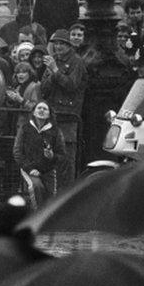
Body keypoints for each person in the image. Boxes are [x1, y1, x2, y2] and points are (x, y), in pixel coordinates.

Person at [39, 29, 85, 192]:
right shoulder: (53, 61)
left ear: (69, 45)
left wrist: (56, 71)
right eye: (55, 43)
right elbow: (43, 89)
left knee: (66, 161)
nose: (58, 47)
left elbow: (72, 85)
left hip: (68, 117)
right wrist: (52, 73)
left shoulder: (76, 62)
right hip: (52, 116)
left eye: (61, 43)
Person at [13, 101, 65, 209]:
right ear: (34, 112)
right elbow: (17, 152)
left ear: (49, 114)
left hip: (48, 170)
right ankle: (37, 217)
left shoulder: (55, 131)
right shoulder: (25, 128)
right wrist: (30, 168)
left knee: (51, 197)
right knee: (37, 187)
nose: (41, 110)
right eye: (39, 108)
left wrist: (52, 156)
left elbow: (62, 154)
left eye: (45, 109)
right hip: (29, 168)